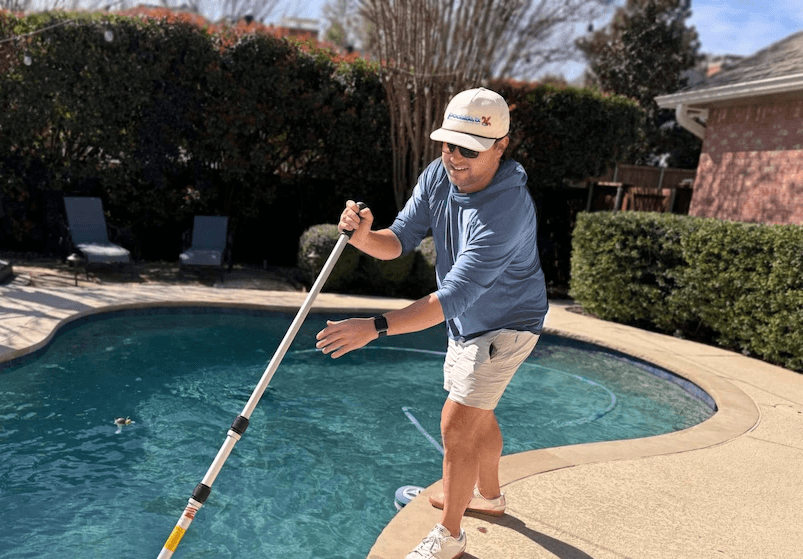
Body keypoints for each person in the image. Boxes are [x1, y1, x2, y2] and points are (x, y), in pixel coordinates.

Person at [316, 87, 548, 559]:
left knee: (456, 425)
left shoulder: (506, 210)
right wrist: (363, 235)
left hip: (508, 324)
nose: (454, 157)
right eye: (447, 144)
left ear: (501, 146)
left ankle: (450, 538)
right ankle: (489, 496)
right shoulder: (440, 177)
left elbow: (453, 295)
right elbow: (398, 239)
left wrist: (375, 326)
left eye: (468, 148)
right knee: (475, 414)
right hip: (467, 321)